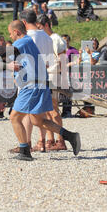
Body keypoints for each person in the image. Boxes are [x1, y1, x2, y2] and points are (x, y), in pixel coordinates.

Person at [6, 20, 81, 161]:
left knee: (15, 117)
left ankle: (24, 151)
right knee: (37, 120)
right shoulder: (27, 42)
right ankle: (70, 136)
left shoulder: (22, 42)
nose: (10, 36)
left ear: (16, 32)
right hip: (38, 84)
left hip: (32, 85)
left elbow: (4, 52)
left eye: (10, 33)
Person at [35, 14, 68, 151]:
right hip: (46, 76)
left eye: (40, 27)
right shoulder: (45, 39)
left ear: (46, 25)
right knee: (45, 111)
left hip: (53, 77)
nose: (38, 30)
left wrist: (49, 68)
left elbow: (62, 62)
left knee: (53, 110)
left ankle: (61, 140)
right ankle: (50, 139)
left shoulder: (56, 39)